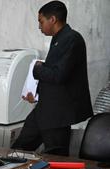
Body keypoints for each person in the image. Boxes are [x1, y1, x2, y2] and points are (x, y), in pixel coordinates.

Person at [12, 0, 92, 156]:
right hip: (45, 109)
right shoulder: (58, 39)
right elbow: (54, 74)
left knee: (56, 159)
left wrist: (37, 69)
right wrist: (35, 93)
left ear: (53, 19)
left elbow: (58, 75)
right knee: (18, 149)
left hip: (58, 114)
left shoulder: (72, 39)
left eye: (41, 21)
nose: (39, 27)